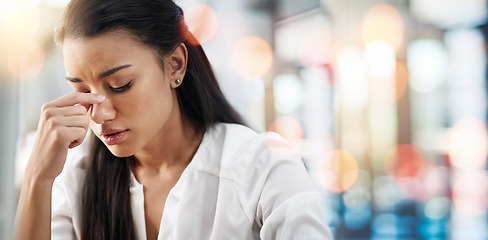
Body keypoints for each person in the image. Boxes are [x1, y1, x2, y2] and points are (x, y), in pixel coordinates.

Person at [15, 0, 334, 239]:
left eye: (120, 86)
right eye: (82, 90)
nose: (100, 113)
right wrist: (37, 178)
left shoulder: (262, 169)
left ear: (176, 66)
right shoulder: (77, 179)